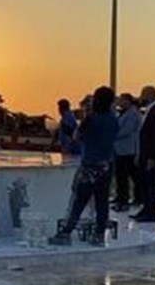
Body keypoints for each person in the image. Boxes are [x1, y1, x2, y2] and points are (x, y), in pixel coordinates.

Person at [49, 86, 119, 247]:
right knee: (102, 202)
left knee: (79, 201)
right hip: (106, 166)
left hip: (89, 165)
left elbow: (76, 136)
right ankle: (99, 235)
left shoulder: (91, 119)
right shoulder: (113, 119)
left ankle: (66, 232)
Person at [131, 85, 155, 223]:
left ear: (150, 95)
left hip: (150, 156)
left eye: (143, 94)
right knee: (145, 183)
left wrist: (152, 157)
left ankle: (150, 213)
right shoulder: (150, 111)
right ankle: (145, 210)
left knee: (151, 184)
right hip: (145, 154)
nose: (141, 96)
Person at [112, 93, 142, 212]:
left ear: (128, 101)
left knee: (124, 176)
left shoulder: (132, 114)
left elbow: (126, 131)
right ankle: (121, 197)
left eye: (121, 100)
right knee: (122, 175)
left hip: (127, 150)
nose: (119, 103)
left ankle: (124, 200)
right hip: (122, 150)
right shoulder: (124, 113)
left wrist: (111, 135)